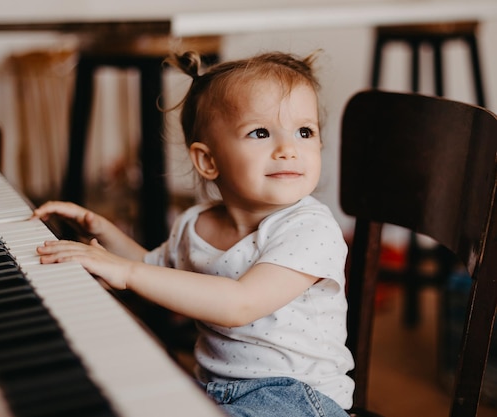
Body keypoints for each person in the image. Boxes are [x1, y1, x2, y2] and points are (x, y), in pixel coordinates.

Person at [32, 50, 354, 417]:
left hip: (298, 398)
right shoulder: (195, 223)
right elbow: (150, 269)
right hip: (213, 388)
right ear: (208, 160)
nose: (288, 149)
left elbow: (240, 304)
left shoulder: (311, 228)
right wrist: (101, 232)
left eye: (304, 131)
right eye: (261, 132)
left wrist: (126, 271)